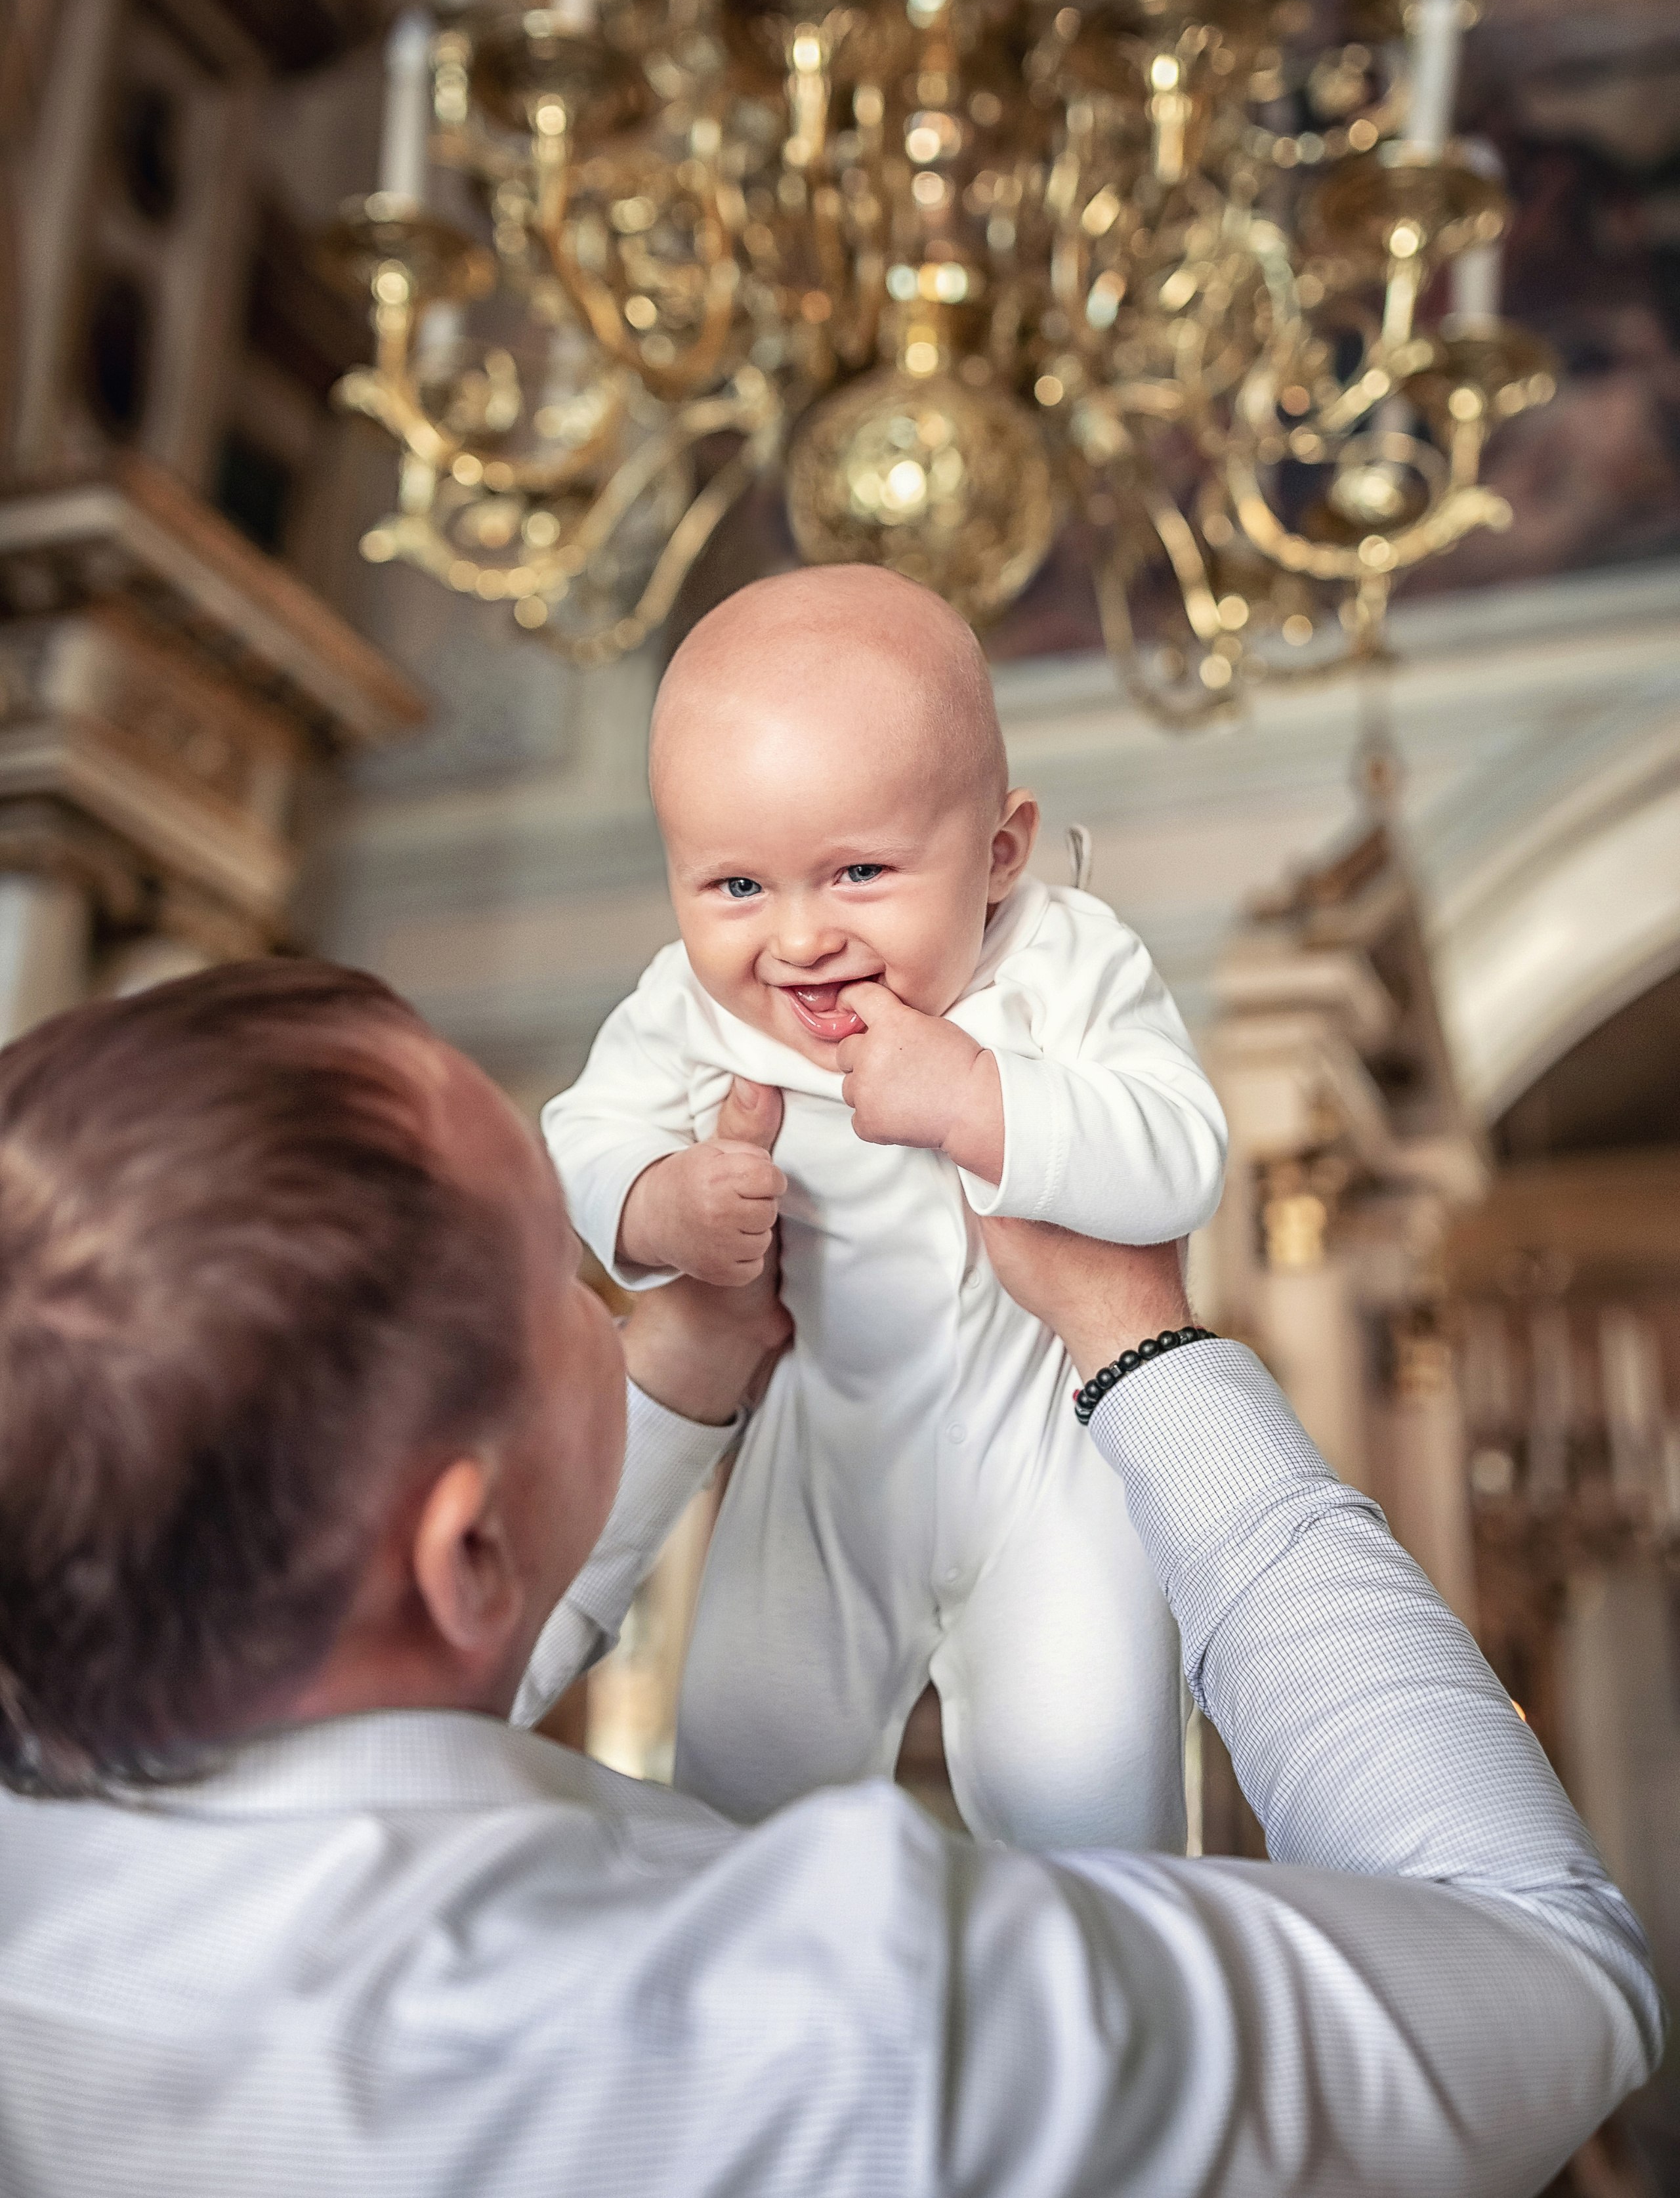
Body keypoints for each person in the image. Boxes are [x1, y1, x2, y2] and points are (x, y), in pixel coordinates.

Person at [0, 958, 1660, 2197]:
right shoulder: (848, 2030)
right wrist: (1139, 1344)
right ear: (461, 1546)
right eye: (566, 1281)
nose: (613, 1300)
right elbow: (1547, 1971)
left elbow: (401, 1704)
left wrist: (687, 1358)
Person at [545, 566, 1227, 1848]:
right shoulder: (687, 1010)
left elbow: (1179, 1152)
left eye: (857, 870)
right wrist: (658, 1205)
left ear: (998, 855)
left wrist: (977, 1098)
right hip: (824, 1455)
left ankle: (1089, 2003)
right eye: (734, 887)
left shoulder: (1070, 963)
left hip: (1050, 1458)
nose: (796, 939)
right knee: (748, 1770)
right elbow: (583, 1134)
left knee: (1088, 1787)